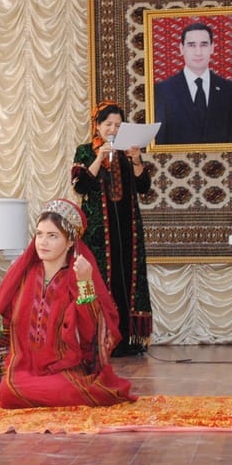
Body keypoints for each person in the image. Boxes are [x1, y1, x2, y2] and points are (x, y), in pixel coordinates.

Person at [0, 199, 135, 408]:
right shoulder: (23, 276)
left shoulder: (78, 275)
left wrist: (85, 284)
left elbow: (90, 334)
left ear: (70, 241)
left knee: (63, 389)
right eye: (39, 234)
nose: (42, 242)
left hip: (65, 368)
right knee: (9, 394)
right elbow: (10, 326)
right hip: (24, 368)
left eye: (52, 236)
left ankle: (83, 391)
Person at [71, 101, 153, 356]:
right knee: (102, 281)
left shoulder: (128, 152)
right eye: (108, 124)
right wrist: (99, 158)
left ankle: (128, 339)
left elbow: (144, 187)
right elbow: (80, 186)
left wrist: (137, 160)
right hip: (98, 232)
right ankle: (101, 338)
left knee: (127, 279)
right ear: (97, 126)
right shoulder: (85, 151)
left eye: (118, 125)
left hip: (128, 229)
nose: (113, 129)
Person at [153, 22, 232, 145]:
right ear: (181, 49)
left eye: (204, 45)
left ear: (212, 48)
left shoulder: (228, 90)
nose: (198, 52)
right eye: (191, 45)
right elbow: (160, 140)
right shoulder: (163, 90)